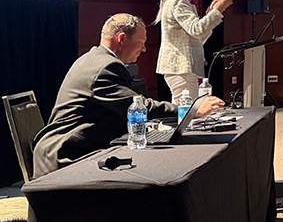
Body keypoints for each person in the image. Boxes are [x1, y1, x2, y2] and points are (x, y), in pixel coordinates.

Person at [32, 14, 226, 178]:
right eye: (141, 43)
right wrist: (190, 110)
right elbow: (138, 107)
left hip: (73, 147)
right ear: (122, 39)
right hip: (67, 155)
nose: (143, 49)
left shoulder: (95, 58)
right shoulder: (106, 67)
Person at [155, 0, 234, 102]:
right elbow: (197, 30)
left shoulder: (177, 1)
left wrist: (211, 12)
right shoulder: (178, 2)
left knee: (185, 110)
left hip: (180, 68)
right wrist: (219, 9)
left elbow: (196, 38)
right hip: (179, 67)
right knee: (187, 112)